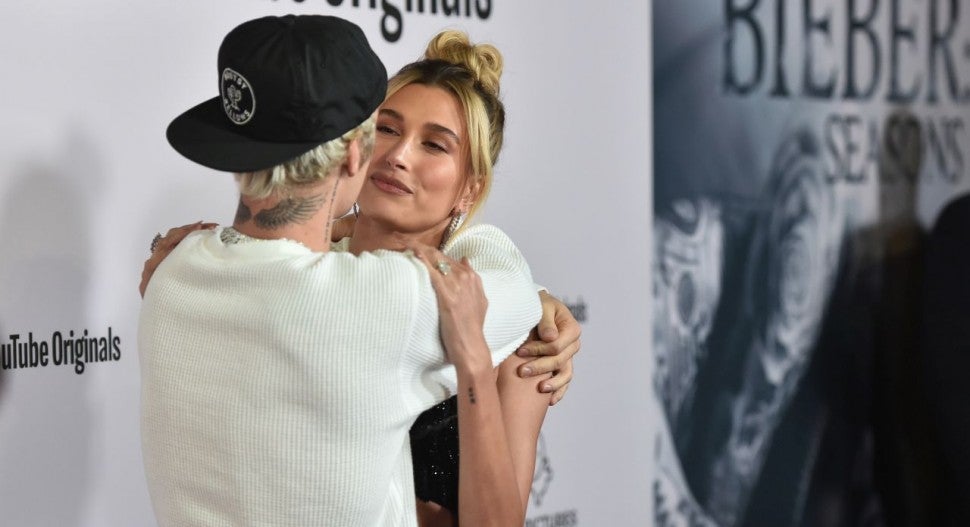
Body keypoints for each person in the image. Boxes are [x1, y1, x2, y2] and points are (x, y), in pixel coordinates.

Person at [142, 26, 581, 526]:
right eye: (387, 129)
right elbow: (505, 286)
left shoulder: (521, 341)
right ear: (356, 150)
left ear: (469, 188)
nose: (397, 155)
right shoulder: (384, 296)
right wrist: (532, 293)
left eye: (435, 145)